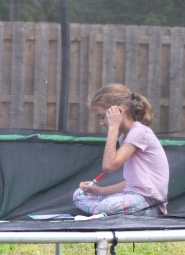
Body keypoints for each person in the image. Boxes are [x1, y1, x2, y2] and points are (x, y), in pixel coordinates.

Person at [72, 83, 169, 217]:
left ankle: (102, 212)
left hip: (150, 204)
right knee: (79, 195)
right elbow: (132, 183)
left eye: (102, 116)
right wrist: (98, 191)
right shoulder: (125, 137)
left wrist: (113, 127)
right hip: (132, 198)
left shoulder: (140, 132)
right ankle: (101, 213)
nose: (101, 123)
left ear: (118, 111)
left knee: (109, 206)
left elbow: (109, 166)